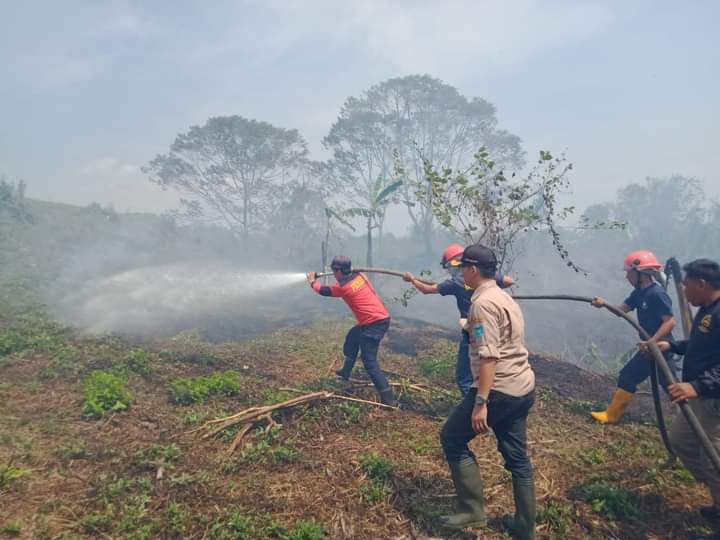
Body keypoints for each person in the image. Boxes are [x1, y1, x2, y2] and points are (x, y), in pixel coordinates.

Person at [439, 244, 536, 539]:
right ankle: (524, 529)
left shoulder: (481, 305)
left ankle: (472, 510)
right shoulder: (503, 297)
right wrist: (471, 326)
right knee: (518, 459)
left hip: (498, 390)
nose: (460, 274)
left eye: (462, 268)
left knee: (452, 438)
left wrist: (481, 402)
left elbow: (489, 357)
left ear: (472, 270)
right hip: (522, 387)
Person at [654, 259, 720, 540]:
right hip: (701, 395)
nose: (683, 289)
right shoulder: (708, 311)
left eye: (686, 283)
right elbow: (701, 347)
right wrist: (673, 345)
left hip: (713, 399)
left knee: (713, 459)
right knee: (681, 440)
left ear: (702, 284)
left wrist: (698, 385)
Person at [403, 243, 514, 396]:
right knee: (489, 366)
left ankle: (474, 408)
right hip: (492, 329)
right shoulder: (485, 277)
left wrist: (412, 280)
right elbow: (509, 281)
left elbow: (426, 290)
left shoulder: (455, 283)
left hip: (472, 331)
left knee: (464, 378)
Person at [590, 250, 677, 424]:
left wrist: (652, 342)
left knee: (671, 387)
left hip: (660, 347)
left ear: (640, 274)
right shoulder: (638, 294)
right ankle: (612, 415)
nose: (627, 277)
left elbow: (670, 322)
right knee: (657, 383)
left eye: (629, 273)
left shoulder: (656, 294)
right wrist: (603, 304)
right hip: (649, 347)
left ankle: (694, 421)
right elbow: (621, 310)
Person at [306, 256, 396, 406]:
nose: (333, 273)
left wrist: (312, 282)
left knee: (370, 362)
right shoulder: (360, 276)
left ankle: (389, 399)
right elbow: (350, 277)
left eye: (335, 270)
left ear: (341, 271)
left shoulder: (344, 288)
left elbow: (323, 291)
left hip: (374, 324)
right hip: (377, 319)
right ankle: (346, 371)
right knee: (353, 337)